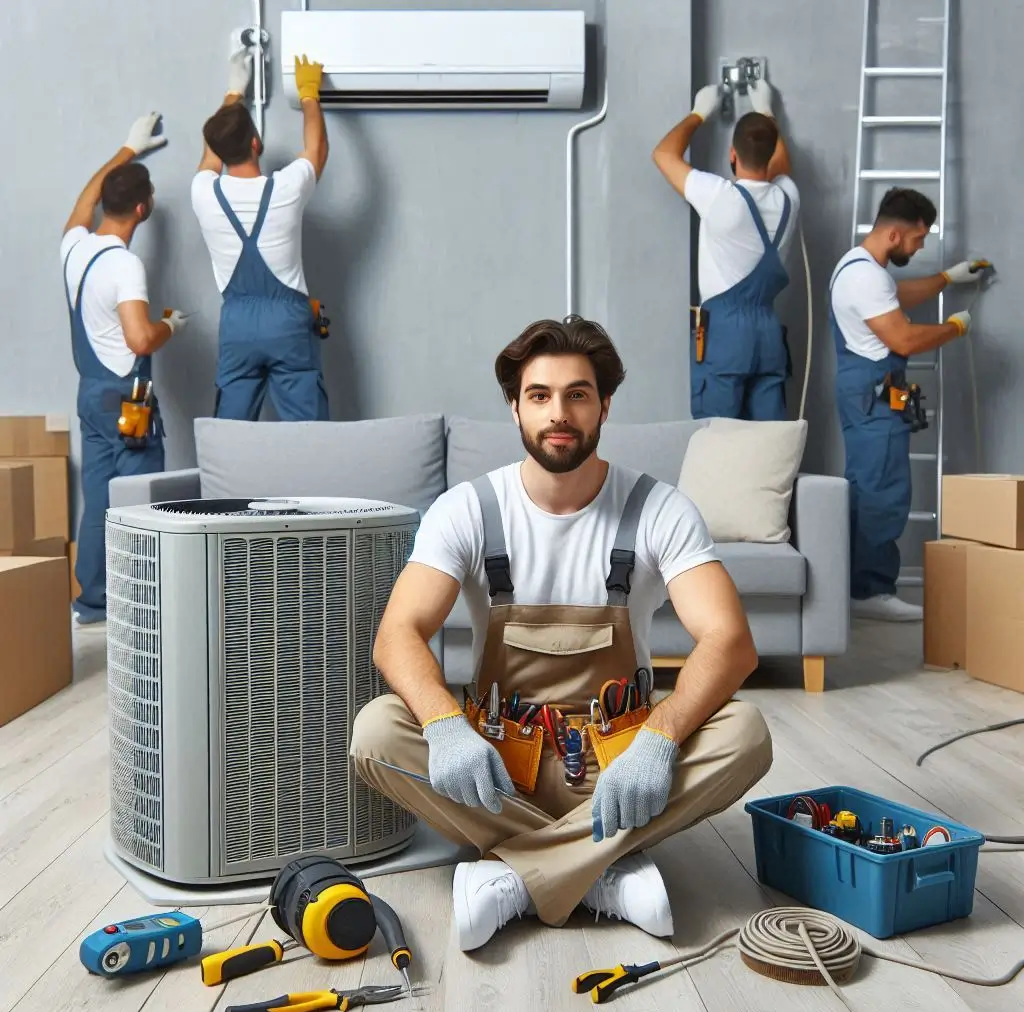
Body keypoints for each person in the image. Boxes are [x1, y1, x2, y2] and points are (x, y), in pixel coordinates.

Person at [349, 315, 773, 951]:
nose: (559, 413)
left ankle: (516, 877)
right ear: (515, 409)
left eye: (578, 394)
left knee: (747, 733)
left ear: (604, 406)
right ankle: (600, 869)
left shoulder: (658, 509)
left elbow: (731, 642)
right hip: (494, 772)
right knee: (377, 730)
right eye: (540, 395)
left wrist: (658, 742)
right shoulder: (468, 509)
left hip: (623, 773)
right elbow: (398, 635)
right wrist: (443, 728)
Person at [829, 187, 992, 622]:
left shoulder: (860, 266)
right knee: (882, 491)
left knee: (869, 487)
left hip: (868, 390)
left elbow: (894, 300)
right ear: (897, 235)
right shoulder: (867, 277)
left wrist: (947, 279)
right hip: (874, 392)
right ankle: (870, 592)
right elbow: (902, 337)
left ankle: (858, 588)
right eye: (920, 239)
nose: (922, 245)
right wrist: (954, 327)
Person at [61, 114, 190, 625]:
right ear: (142, 208)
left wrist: (126, 150)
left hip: (90, 395)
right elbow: (139, 337)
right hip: (128, 402)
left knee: (98, 504)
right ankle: (140, 613)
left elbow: (85, 197)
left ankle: (91, 605)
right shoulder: (124, 264)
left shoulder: (73, 247)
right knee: (137, 507)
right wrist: (171, 326)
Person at [191, 51, 330, 422]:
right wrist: (309, 94)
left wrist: (234, 91)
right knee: (310, 437)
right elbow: (316, 150)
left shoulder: (204, 192)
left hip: (237, 325)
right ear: (256, 142)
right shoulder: (285, 187)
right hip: (288, 322)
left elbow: (209, 156)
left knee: (229, 439)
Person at [653, 79, 800, 421]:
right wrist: (765, 110)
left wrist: (699, 112)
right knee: (770, 446)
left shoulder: (720, 197)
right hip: (768, 333)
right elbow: (780, 162)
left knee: (717, 440)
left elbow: (663, 154)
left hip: (725, 335)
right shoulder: (788, 197)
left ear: (732, 155)